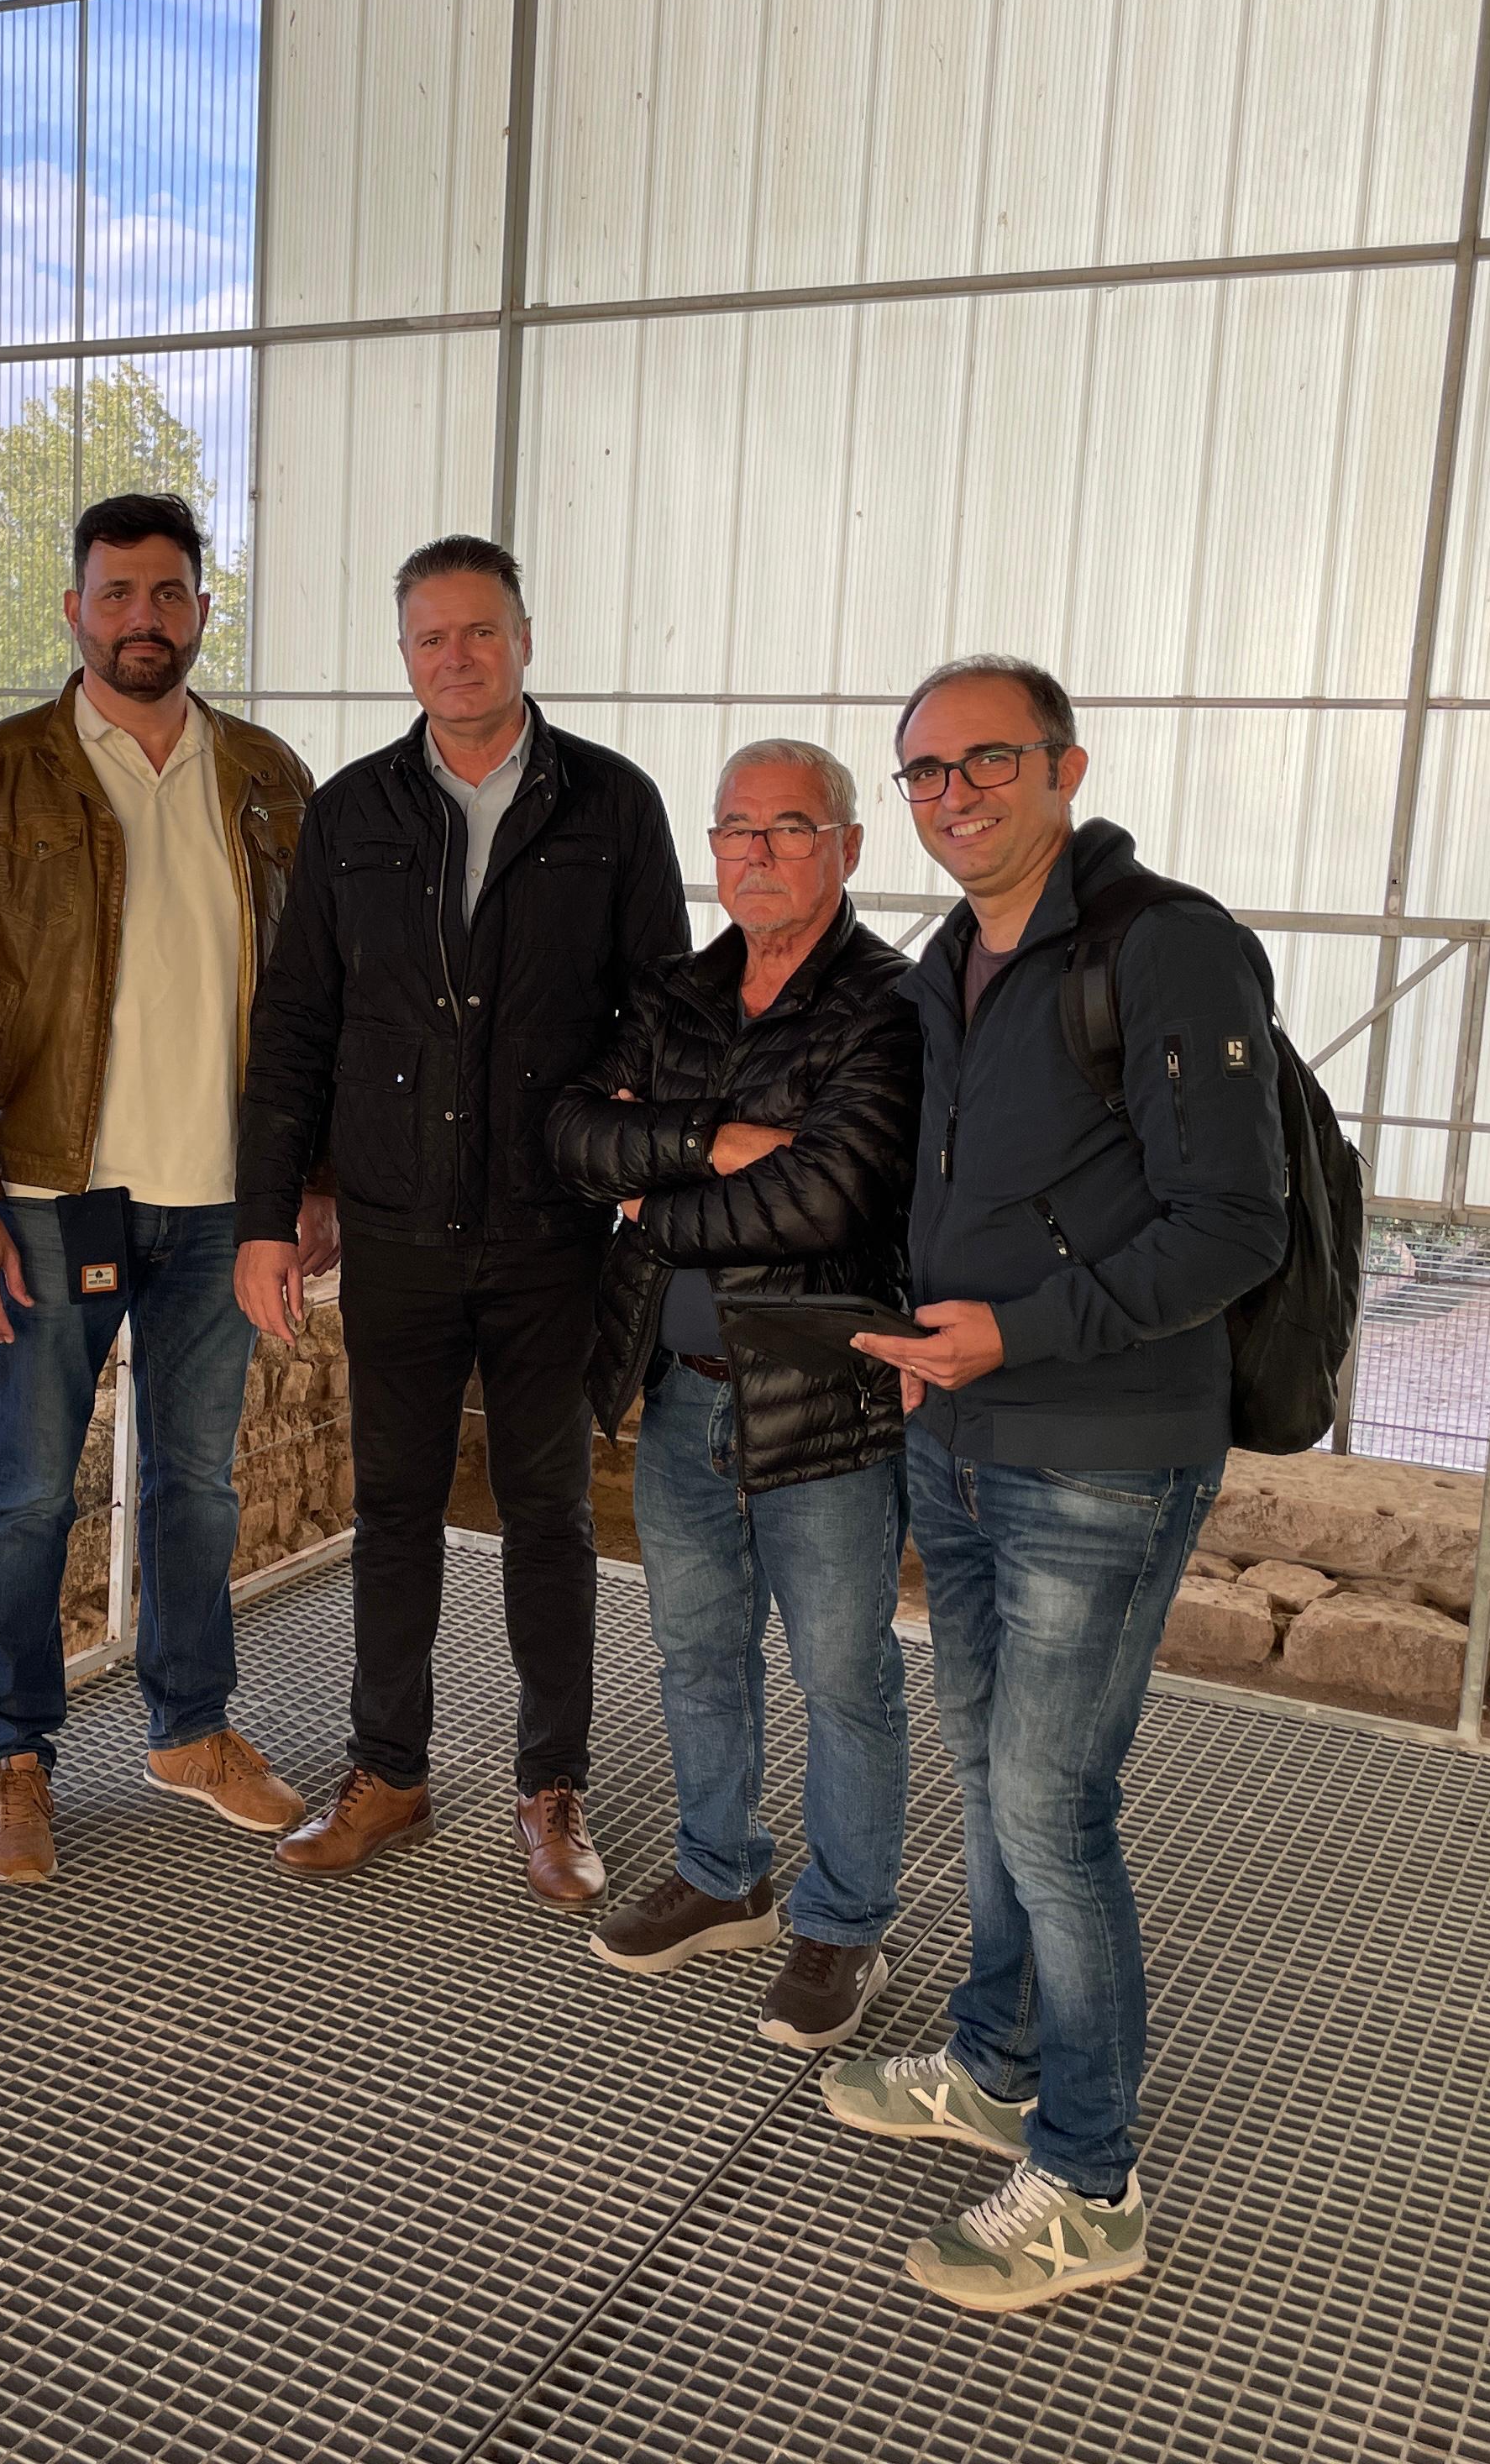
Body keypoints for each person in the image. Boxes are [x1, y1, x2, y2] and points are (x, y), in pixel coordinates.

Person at [825, 655, 1286, 2313]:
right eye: (924, 774)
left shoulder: (1165, 947)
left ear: (1065, 766)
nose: (952, 795)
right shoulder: (954, 958)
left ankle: (1092, 2182)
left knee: (1052, 1812)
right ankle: (993, 2061)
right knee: (990, 1775)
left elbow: (1237, 1226)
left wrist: (1018, 1333)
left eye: (985, 762)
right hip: (958, 1443)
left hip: (1097, 1455)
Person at [235, 534, 689, 1906]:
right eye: (431, 638)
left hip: (552, 1231)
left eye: (479, 632)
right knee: (393, 1508)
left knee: (551, 1512)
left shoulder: (611, 804)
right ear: (405, 654)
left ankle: (551, 1788)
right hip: (391, 1226)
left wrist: (615, 1148)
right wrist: (275, 1212)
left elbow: (661, 1009)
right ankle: (391, 1770)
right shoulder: (355, 810)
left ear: (525, 638)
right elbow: (299, 1020)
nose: (456, 657)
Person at [0, 493, 329, 1884]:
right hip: (47, 1190)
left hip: (224, 1201)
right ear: (75, 610)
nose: (143, 617)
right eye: (116, 593)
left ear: (204, 609)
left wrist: (307, 1181)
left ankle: (190, 1730)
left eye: (168, 593)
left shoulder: (266, 778)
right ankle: (14, 1753)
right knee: (30, 1485)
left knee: (199, 1482)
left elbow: (327, 1001)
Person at [546, 738, 921, 2047]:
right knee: (698, 1652)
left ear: (849, 846)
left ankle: (843, 1924)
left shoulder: (887, 1002)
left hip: (821, 1385)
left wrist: (663, 1191)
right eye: (734, 831)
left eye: (790, 829)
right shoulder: (677, 991)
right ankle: (725, 1871)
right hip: (682, 1382)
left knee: (840, 1669)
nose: (755, 854)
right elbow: (574, 1135)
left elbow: (839, 1191)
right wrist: (711, 1139)